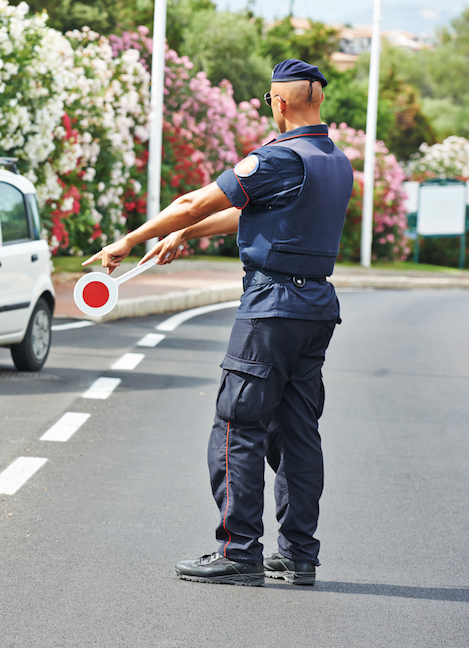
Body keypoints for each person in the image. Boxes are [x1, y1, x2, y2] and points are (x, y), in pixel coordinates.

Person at [82, 59, 354, 587]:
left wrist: (128, 240)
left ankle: (239, 550)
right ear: (316, 98)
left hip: (270, 308)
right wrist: (186, 235)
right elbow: (246, 212)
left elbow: (192, 201)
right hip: (316, 307)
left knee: (239, 425)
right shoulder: (332, 160)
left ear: (278, 102)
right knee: (298, 432)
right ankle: (299, 554)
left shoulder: (277, 157)